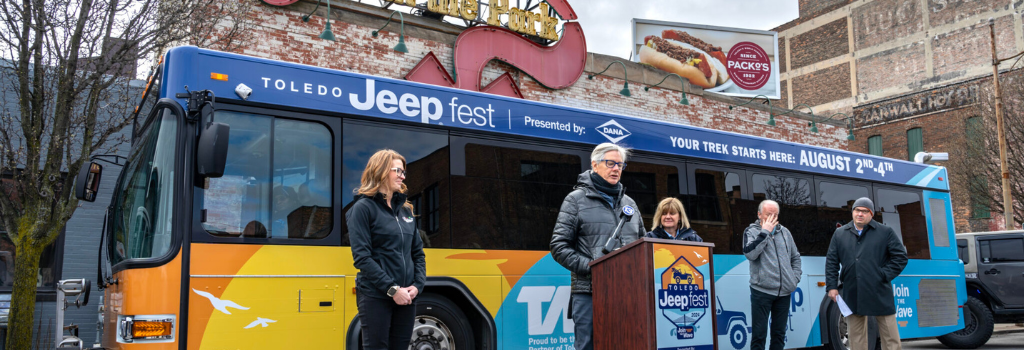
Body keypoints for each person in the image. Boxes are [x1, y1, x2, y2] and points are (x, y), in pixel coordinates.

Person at [550, 142, 647, 350]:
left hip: (627, 294)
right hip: (589, 293)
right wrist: (595, 268)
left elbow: (642, 245)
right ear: (594, 165)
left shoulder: (630, 204)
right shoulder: (575, 200)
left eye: (620, 165)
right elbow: (559, 246)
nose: (616, 169)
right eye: (610, 163)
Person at [347, 149, 426, 350]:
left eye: (403, 172)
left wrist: (417, 285)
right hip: (376, 295)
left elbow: (417, 253)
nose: (402, 176)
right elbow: (362, 258)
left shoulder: (406, 211)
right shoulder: (363, 208)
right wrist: (392, 290)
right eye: (397, 170)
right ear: (380, 171)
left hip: (407, 296)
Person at [826, 197, 908, 350]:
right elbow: (831, 262)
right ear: (853, 212)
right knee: (856, 338)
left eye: (865, 211)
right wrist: (831, 286)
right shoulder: (840, 233)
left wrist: (883, 275)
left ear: (871, 214)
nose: (860, 214)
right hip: (853, 290)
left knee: (890, 336)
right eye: (857, 210)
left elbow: (901, 258)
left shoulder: (885, 232)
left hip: (880, 290)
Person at [742, 200, 802, 350]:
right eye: (768, 214)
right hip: (762, 291)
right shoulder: (751, 231)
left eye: (775, 215)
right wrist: (765, 232)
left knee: (779, 334)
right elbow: (750, 253)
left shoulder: (785, 232)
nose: (772, 218)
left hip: (784, 293)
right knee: (759, 335)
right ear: (759, 214)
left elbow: (795, 257)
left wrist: (794, 280)